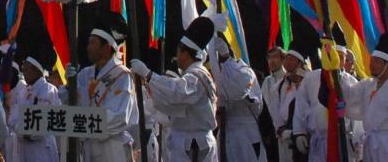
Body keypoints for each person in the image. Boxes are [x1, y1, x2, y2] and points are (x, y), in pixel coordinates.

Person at [132, 16, 217, 162]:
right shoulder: (194, 74)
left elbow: (177, 92)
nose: (177, 56)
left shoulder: (196, 76)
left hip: (193, 145)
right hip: (189, 141)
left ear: (185, 53)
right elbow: (168, 103)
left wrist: (149, 75)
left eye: (178, 51)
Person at [78, 17, 138, 162]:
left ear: (106, 48)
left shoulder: (122, 76)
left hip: (112, 148)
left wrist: (86, 123)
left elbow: (120, 117)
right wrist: (70, 84)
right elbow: (69, 102)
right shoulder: (85, 74)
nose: (88, 47)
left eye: (93, 43)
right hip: (89, 146)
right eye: (88, 42)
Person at [291, 34, 357, 162]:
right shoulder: (311, 78)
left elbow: (355, 114)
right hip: (319, 140)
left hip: (342, 140)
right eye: (333, 55)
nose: (335, 59)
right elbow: (301, 105)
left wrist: (357, 142)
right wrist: (299, 132)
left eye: (340, 57)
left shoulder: (350, 82)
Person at [343, 32, 388, 162]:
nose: (371, 65)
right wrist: (335, 72)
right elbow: (348, 96)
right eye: (372, 61)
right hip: (371, 145)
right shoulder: (368, 85)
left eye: (377, 62)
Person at [214, 36, 264, 162]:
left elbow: (236, 92)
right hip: (226, 132)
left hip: (245, 132)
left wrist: (225, 59)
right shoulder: (218, 73)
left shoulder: (245, 71)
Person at [9, 54, 59, 162]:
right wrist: (22, 132)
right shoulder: (22, 92)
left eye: (27, 69)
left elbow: (42, 124)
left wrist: (27, 133)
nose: (24, 73)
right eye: (23, 70)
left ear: (36, 70)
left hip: (42, 150)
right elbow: (12, 119)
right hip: (24, 150)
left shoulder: (48, 90)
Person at [267, 47, 306, 162]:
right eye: (286, 59)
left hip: (304, 134)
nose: (288, 62)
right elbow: (274, 110)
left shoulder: (308, 81)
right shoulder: (278, 86)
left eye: (292, 59)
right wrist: (281, 130)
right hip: (285, 135)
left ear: (299, 62)